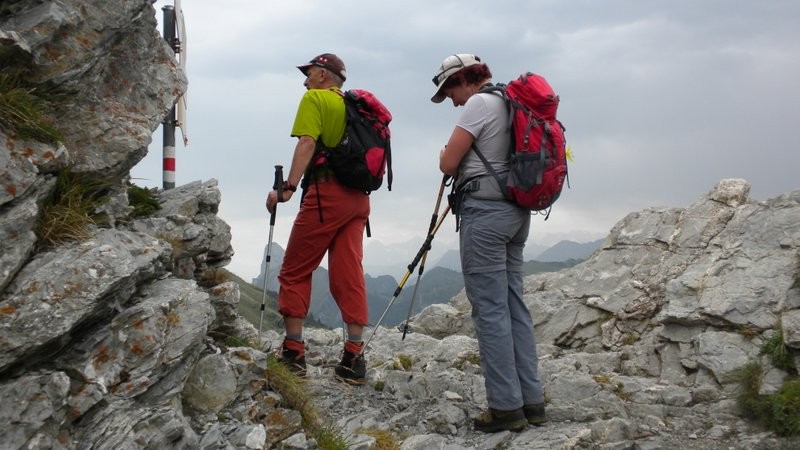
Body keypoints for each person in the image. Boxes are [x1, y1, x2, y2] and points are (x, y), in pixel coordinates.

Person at [430, 54, 547, 432]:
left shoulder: (479, 103)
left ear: (464, 80)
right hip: (516, 213)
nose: (452, 100)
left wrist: (444, 158)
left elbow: (449, 164)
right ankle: (533, 402)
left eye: (450, 90)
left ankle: (505, 408)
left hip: (485, 215)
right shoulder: (512, 103)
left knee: (490, 311)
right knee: (514, 306)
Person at [266, 53, 369, 385]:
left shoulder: (315, 99)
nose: (306, 80)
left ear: (324, 75)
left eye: (309, 73)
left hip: (327, 194)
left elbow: (308, 142)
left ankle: (293, 354)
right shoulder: (356, 107)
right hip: (359, 200)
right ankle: (354, 358)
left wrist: (288, 188)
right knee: (348, 272)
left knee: (295, 269)